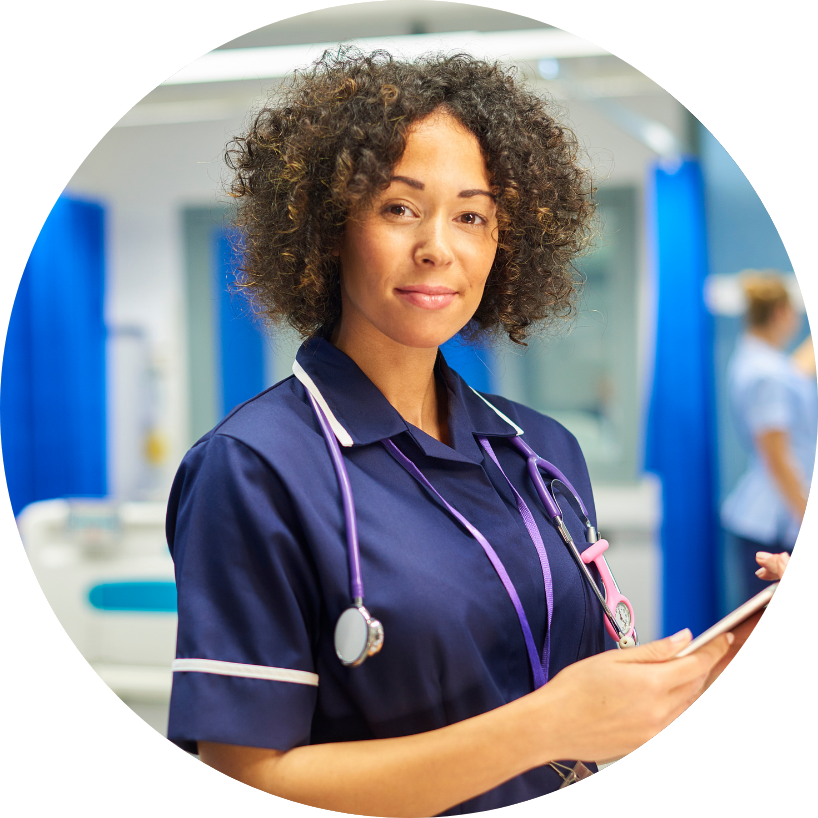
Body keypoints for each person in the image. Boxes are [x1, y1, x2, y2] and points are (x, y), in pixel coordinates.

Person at [166, 50, 749, 814]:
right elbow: (247, 774)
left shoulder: (542, 451)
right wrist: (543, 729)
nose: (438, 245)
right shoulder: (253, 468)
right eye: (399, 207)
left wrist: (696, 672)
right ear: (328, 228)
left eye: (471, 215)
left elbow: (583, 704)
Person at [721, 272, 815, 602]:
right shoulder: (768, 374)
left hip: (761, 517)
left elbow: (795, 371)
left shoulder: (753, 359)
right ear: (781, 313)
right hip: (774, 523)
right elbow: (777, 458)